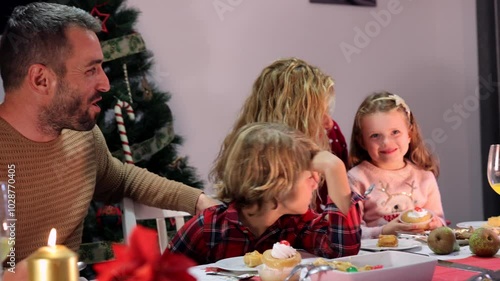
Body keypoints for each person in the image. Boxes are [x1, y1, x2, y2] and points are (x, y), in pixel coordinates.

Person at [0, 3, 217, 279]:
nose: (105, 84)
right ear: (41, 79)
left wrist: (199, 201)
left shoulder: (82, 138)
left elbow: (123, 179)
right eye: (91, 70)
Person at [169, 122, 362, 264]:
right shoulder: (207, 229)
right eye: (308, 175)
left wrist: (335, 167)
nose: (316, 181)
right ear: (275, 185)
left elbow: (343, 252)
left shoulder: (297, 223)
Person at [217, 57, 351, 214]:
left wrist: (335, 168)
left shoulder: (331, 134)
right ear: (293, 117)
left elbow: (345, 228)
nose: (328, 122)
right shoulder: (249, 151)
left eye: (327, 110)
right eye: (317, 114)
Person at [347, 92, 446, 239]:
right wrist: (384, 231)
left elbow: (440, 222)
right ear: (362, 141)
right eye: (375, 135)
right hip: (378, 257)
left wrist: (436, 225)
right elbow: (351, 234)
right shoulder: (356, 178)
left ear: (409, 134)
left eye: (395, 132)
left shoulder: (425, 177)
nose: (386, 142)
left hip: (421, 256)